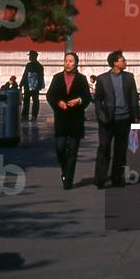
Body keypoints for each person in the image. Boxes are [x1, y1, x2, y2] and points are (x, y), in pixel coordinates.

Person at [94, 51, 140, 188]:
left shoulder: (129, 78)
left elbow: (133, 98)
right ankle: (100, 179)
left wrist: (136, 116)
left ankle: (117, 178)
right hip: (107, 120)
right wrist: (101, 116)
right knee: (104, 148)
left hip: (124, 119)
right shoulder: (102, 79)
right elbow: (97, 100)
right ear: (115, 63)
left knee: (120, 150)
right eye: (122, 60)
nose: (125, 62)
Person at [46, 52, 91, 190]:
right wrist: (58, 102)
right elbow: (50, 95)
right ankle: (65, 170)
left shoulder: (82, 79)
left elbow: (87, 97)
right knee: (60, 148)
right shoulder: (57, 78)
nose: (68, 63)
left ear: (76, 63)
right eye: (66, 61)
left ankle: (68, 179)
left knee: (72, 150)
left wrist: (78, 100)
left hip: (76, 119)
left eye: (71, 61)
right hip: (61, 119)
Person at [19, 51, 45, 121]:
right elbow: (25, 75)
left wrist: (39, 85)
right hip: (27, 86)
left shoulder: (39, 66)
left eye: (31, 56)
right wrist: (21, 84)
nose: (30, 57)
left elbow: (41, 77)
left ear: (34, 57)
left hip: (35, 86)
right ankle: (25, 115)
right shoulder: (28, 65)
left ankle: (34, 115)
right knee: (26, 101)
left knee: (35, 101)